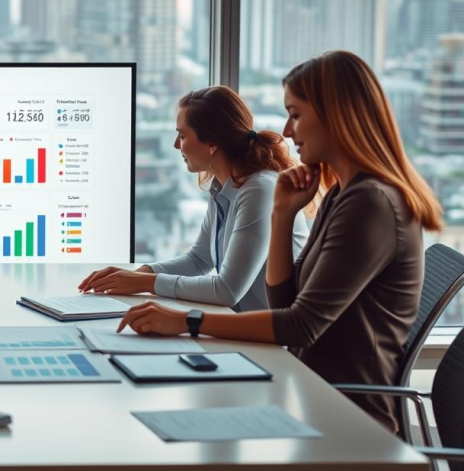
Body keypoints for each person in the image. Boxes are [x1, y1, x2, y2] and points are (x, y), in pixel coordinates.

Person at [117, 51, 442, 434]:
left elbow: (300, 325)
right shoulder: (342, 195)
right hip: (310, 392)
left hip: (348, 418)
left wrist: (186, 321)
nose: (287, 131)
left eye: (297, 114)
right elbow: (286, 301)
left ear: (336, 116)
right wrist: (282, 216)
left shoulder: (371, 204)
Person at [78, 86, 309, 311]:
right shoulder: (223, 186)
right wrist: (138, 274)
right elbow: (199, 259)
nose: (176, 144)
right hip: (245, 330)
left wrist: (146, 283)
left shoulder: (259, 189)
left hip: (277, 342)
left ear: (212, 143)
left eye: (182, 135)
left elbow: (227, 290)